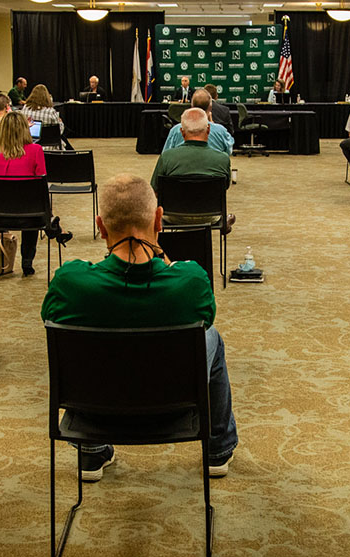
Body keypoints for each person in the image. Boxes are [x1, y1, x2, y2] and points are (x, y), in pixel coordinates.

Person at [41, 173, 239, 481]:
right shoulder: (191, 281)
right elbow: (205, 314)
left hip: (96, 413)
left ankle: (91, 452)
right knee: (211, 335)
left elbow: (52, 313)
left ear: (100, 225)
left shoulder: (69, 282)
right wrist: (161, 256)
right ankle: (216, 451)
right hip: (173, 412)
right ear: (159, 220)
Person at [0, 111, 70, 276]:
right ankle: (28, 261)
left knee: (30, 203)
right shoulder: (36, 150)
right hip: (29, 216)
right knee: (34, 204)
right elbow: (41, 186)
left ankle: (54, 228)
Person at [152, 107, 231, 190]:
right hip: (210, 202)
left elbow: (155, 190)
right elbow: (225, 187)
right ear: (208, 130)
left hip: (176, 202)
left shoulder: (166, 158)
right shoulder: (223, 159)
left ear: (182, 133)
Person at [162, 89, 234, 155]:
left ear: (191, 105)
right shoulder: (220, 131)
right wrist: (212, 123)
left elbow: (165, 155)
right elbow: (229, 151)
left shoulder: (176, 130)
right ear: (210, 107)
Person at [21, 84, 65, 149]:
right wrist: (61, 123)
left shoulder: (25, 109)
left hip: (29, 145)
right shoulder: (51, 111)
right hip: (50, 147)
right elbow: (59, 131)